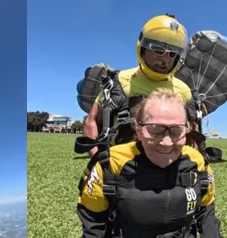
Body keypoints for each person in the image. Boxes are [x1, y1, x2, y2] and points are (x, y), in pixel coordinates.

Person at [75, 89, 227, 238]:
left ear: (187, 130)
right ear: (137, 129)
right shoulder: (110, 164)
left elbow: (206, 210)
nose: (166, 142)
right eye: (155, 130)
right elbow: (91, 221)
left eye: (175, 131)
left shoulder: (197, 163)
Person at [79, 13, 202, 157]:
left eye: (172, 53)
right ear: (143, 48)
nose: (165, 59)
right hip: (123, 166)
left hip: (169, 167)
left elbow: (193, 135)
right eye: (158, 49)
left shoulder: (184, 91)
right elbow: (92, 120)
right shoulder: (120, 81)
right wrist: (97, 159)